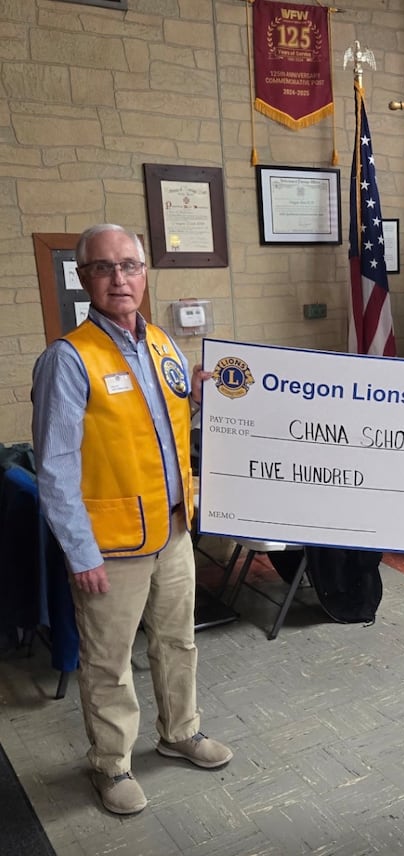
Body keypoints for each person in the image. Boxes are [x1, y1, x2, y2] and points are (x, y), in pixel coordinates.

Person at [31, 224, 232, 815]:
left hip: (171, 530)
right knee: (109, 663)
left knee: (177, 641)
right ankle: (111, 764)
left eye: (130, 266)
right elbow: (55, 468)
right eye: (104, 267)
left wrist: (194, 394)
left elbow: (159, 427)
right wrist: (80, 550)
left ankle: (179, 734)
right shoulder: (67, 360)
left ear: (145, 273)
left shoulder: (163, 344)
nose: (120, 278)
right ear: (84, 277)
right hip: (110, 546)